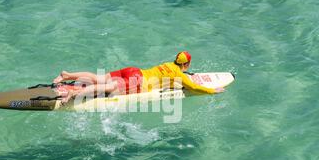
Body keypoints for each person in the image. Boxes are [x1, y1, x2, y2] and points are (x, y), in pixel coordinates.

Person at [53, 51, 225, 103]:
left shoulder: (167, 64)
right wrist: (212, 91)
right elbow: (193, 86)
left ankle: (67, 75)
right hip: (137, 81)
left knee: (99, 78)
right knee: (109, 88)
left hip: (133, 70)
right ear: (186, 65)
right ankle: (73, 94)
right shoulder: (178, 74)